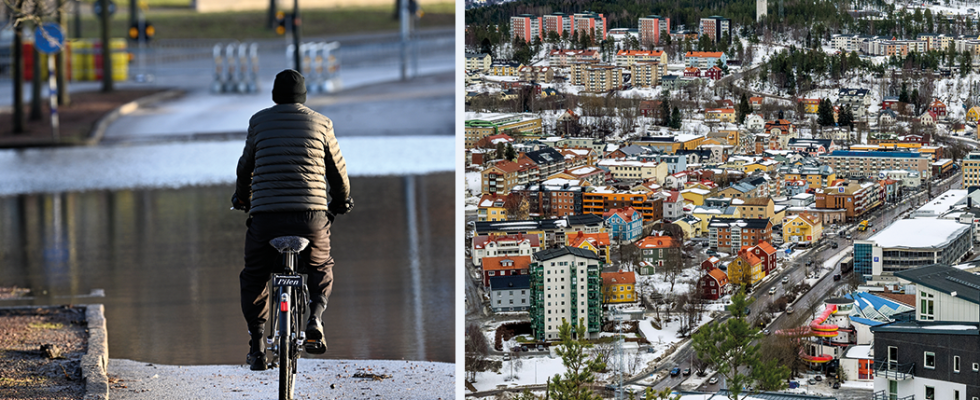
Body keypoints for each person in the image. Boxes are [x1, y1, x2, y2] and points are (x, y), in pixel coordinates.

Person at [232, 69, 352, 371]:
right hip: (311, 218)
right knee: (320, 266)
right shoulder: (321, 123)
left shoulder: (258, 122)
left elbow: (245, 167)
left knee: (255, 275)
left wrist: (241, 197)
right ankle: (314, 319)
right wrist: (341, 201)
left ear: (274, 95)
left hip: (265, 218)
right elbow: (337, 171)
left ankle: (257, 346)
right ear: (304, 97)